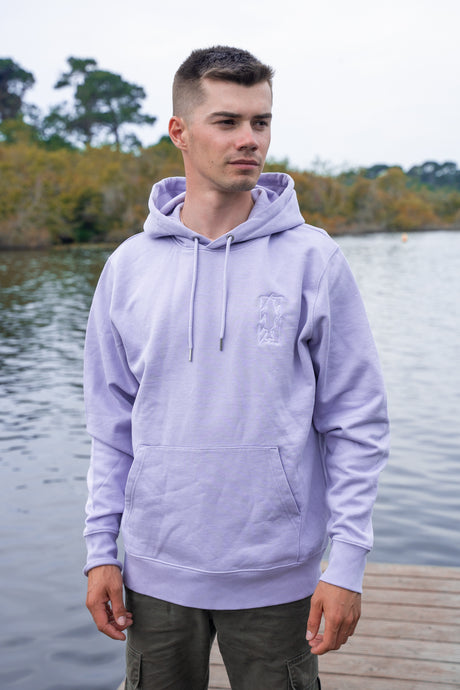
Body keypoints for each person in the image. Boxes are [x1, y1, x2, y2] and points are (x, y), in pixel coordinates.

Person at [84, 46, 389, 690]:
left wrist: (347, 563)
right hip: (155, 570)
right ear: (180, 132)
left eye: (261, 121)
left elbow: (356, 424)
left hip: (277, 573)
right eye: (227, 122)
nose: (250, 139)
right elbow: (111, 428)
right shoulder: (128, 268)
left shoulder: (313, 261)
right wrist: (98, 551)